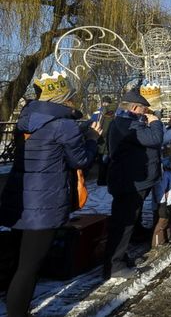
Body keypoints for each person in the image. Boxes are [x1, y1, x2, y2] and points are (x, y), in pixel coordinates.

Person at [0, 72, 100, 316]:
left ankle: (16, 304)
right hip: (44, 204)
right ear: (64, 97)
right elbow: (81, 160)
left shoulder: (26, 119)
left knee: (18, 261)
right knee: (30, 266)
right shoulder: (64, 125)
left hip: (19, 198)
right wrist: (93, 139)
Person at [103, 87, 164, 280]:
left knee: (125, 221)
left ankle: (118, 257)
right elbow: (154, 139)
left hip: (128, 178)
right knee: (124, 223)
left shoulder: (121, 121)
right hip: (130, 180)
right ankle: (115, 265)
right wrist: (155, 123)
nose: (147, 114)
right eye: (145, 110)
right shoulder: (129, 124)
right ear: (136, 107)